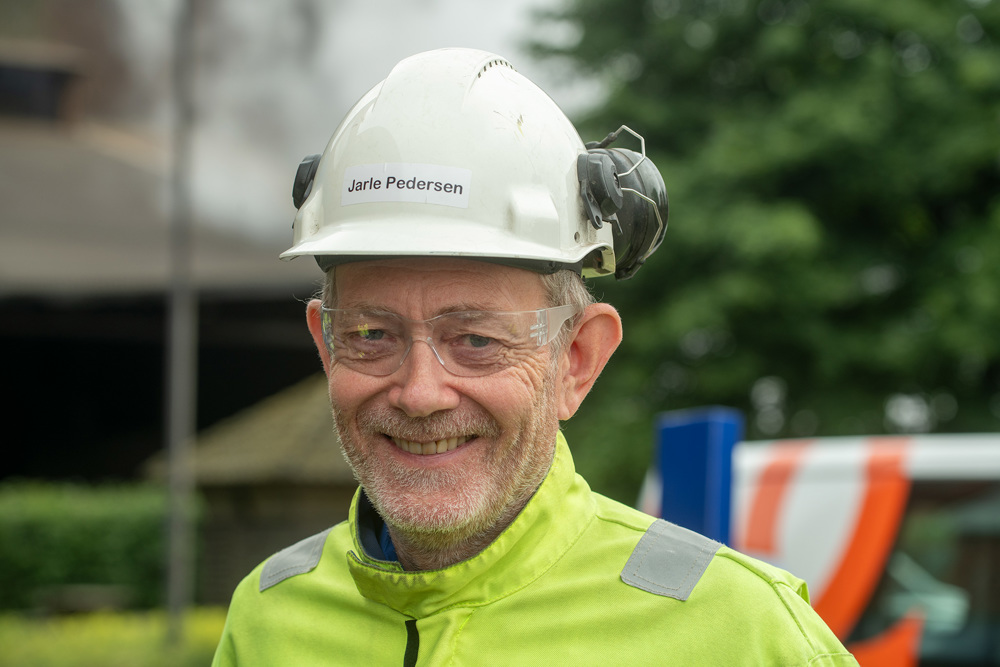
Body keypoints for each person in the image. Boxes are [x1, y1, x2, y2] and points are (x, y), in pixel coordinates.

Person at [212, 48, 857, 666]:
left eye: (477, 341)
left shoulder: (740, 636)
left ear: (576, 360)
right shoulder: (269, 619)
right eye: (371, 335)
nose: (419, 392)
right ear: (326, 346)